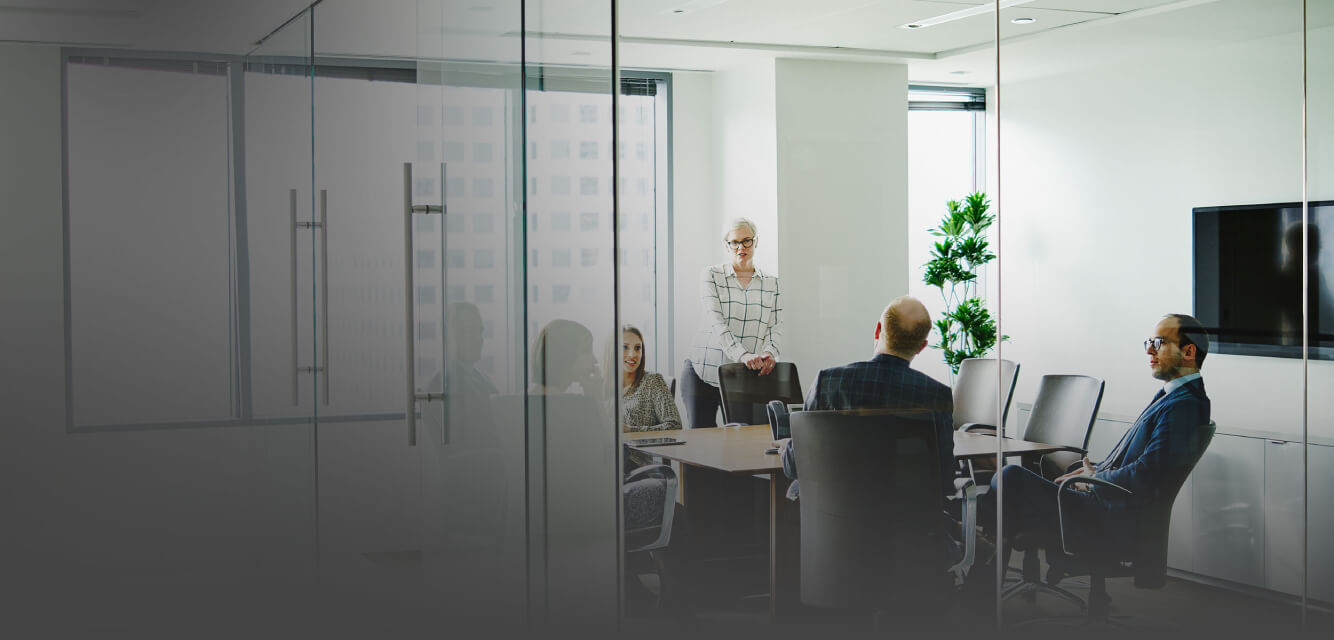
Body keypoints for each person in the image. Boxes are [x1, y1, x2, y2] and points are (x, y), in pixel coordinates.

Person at [979, 313, 1212, 551]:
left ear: (1188, 352)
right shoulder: (1175, 396)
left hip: (1106, 517)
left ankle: (978, 544)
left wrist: (1092, 480)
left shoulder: (1185, 405)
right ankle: (983, 546)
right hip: (1104, 504)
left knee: (1011, 478)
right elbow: (1142, 463)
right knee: (1025, 487)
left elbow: (1147, 474)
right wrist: (1095, 470)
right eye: (1149, 343)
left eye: (1159, 343)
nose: (1149, 351)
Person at [776, 295, 955, 500]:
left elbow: (795, 466)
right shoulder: (936, 395)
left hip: (836, 524)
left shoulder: (829, 381)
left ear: (878, 330)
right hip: (908, 526)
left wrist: (787, 446)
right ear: (922, 346)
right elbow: (944, 478)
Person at [681, 217, 783, 428]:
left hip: (740, 375)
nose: (741, 247)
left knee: (741, 440)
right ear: (726, 245)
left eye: (746, 241)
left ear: (756, 242)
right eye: (734, 242)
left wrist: (770, 352)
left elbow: (775, 325)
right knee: (701, 445)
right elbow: (716, 322)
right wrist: (743, 355)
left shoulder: (772, 283)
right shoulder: (711, 275)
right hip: (703, 370)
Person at [619, 324, 682, 470]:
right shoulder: (603, 385)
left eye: (637, 348)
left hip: (636, 465)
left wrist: (631, 431)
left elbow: (674, 426)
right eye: (625, 347)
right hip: (607, 460)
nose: (632, 354)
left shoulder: (652, 381)